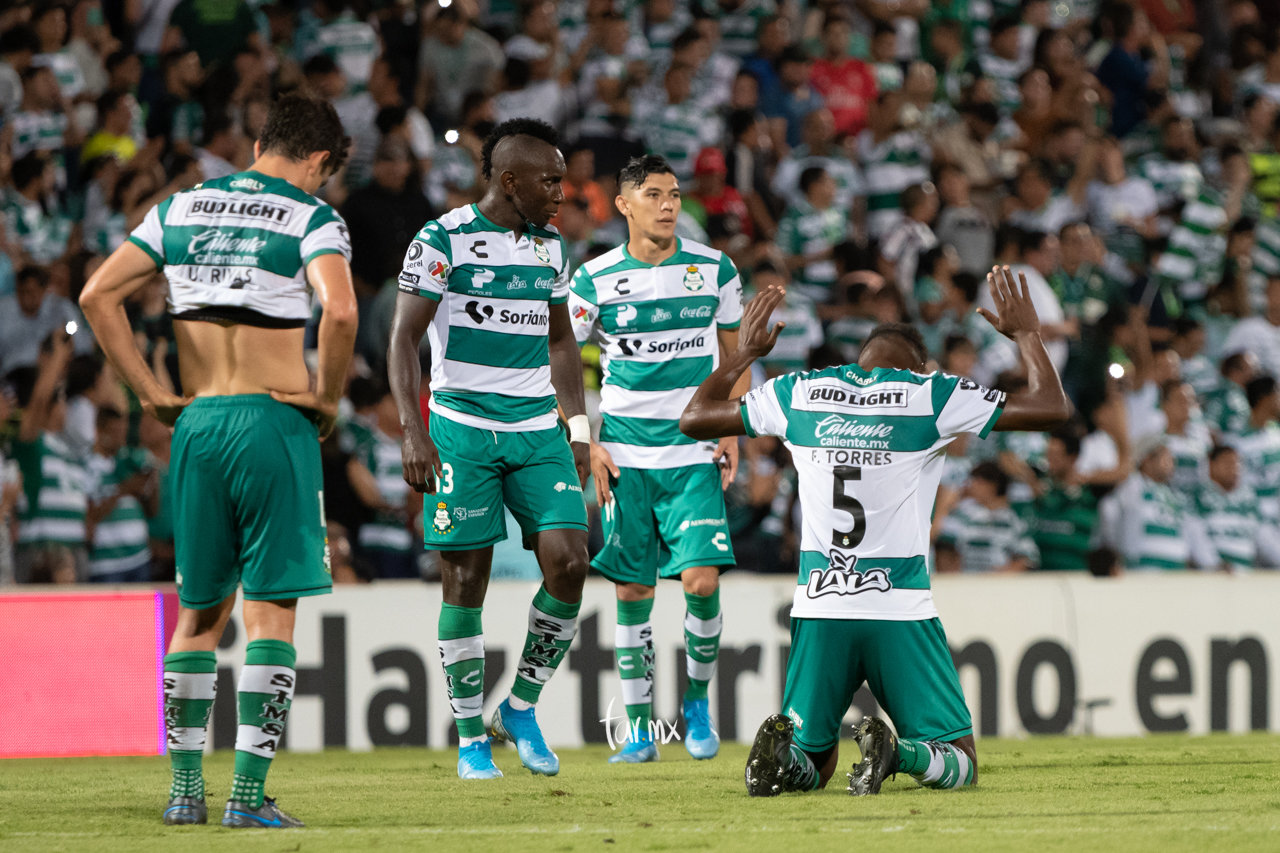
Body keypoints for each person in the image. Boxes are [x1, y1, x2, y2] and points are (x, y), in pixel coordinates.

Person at [680, 265, 1071, 797]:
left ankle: (784, 762)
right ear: (918, 366)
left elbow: (695, 417)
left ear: (859, 359)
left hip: (819, 606)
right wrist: (1027, 333)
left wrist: (744, 355)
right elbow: (1051, 407)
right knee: (961, 761)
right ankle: (900, 752)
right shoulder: (930, 393)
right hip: (897, 604)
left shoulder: (800, 392)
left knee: (813, 761)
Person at [79, 93, 358, 828]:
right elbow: (342, 310)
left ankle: (183, 794)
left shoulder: (179, 209)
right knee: (270, 614)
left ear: (262, 139)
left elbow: (97, 294)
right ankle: (246, 797)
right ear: (320, 160)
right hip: (275, 420)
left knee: (199, 615)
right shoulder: (311, 218)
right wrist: (326, 396)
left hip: (198, 422)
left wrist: (149, 394)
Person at [387, 117, 591, 781]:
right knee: (464, 579)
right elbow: (402, 340)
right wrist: (413, 432)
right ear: (511, 181)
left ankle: (522, 705)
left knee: (569, 562)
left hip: (536, 428)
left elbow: (563, 342)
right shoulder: (441, 239)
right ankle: (471, 735)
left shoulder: (551, 249)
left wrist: (579, 426)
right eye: (551, 180)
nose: (563, 192)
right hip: (460, 427)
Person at [567, 154, 746, 763]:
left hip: (692, 451)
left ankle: (696, 704)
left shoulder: (714, 269)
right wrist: (585, 440)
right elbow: (562, 363)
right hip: (622, 457)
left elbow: (733, 357)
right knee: (633, 593)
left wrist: (733, 428)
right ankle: (640, 730)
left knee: (699, 579)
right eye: (654, 194)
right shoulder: (593, 281)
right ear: (623, 205)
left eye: (673, 194)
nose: (668, 204)